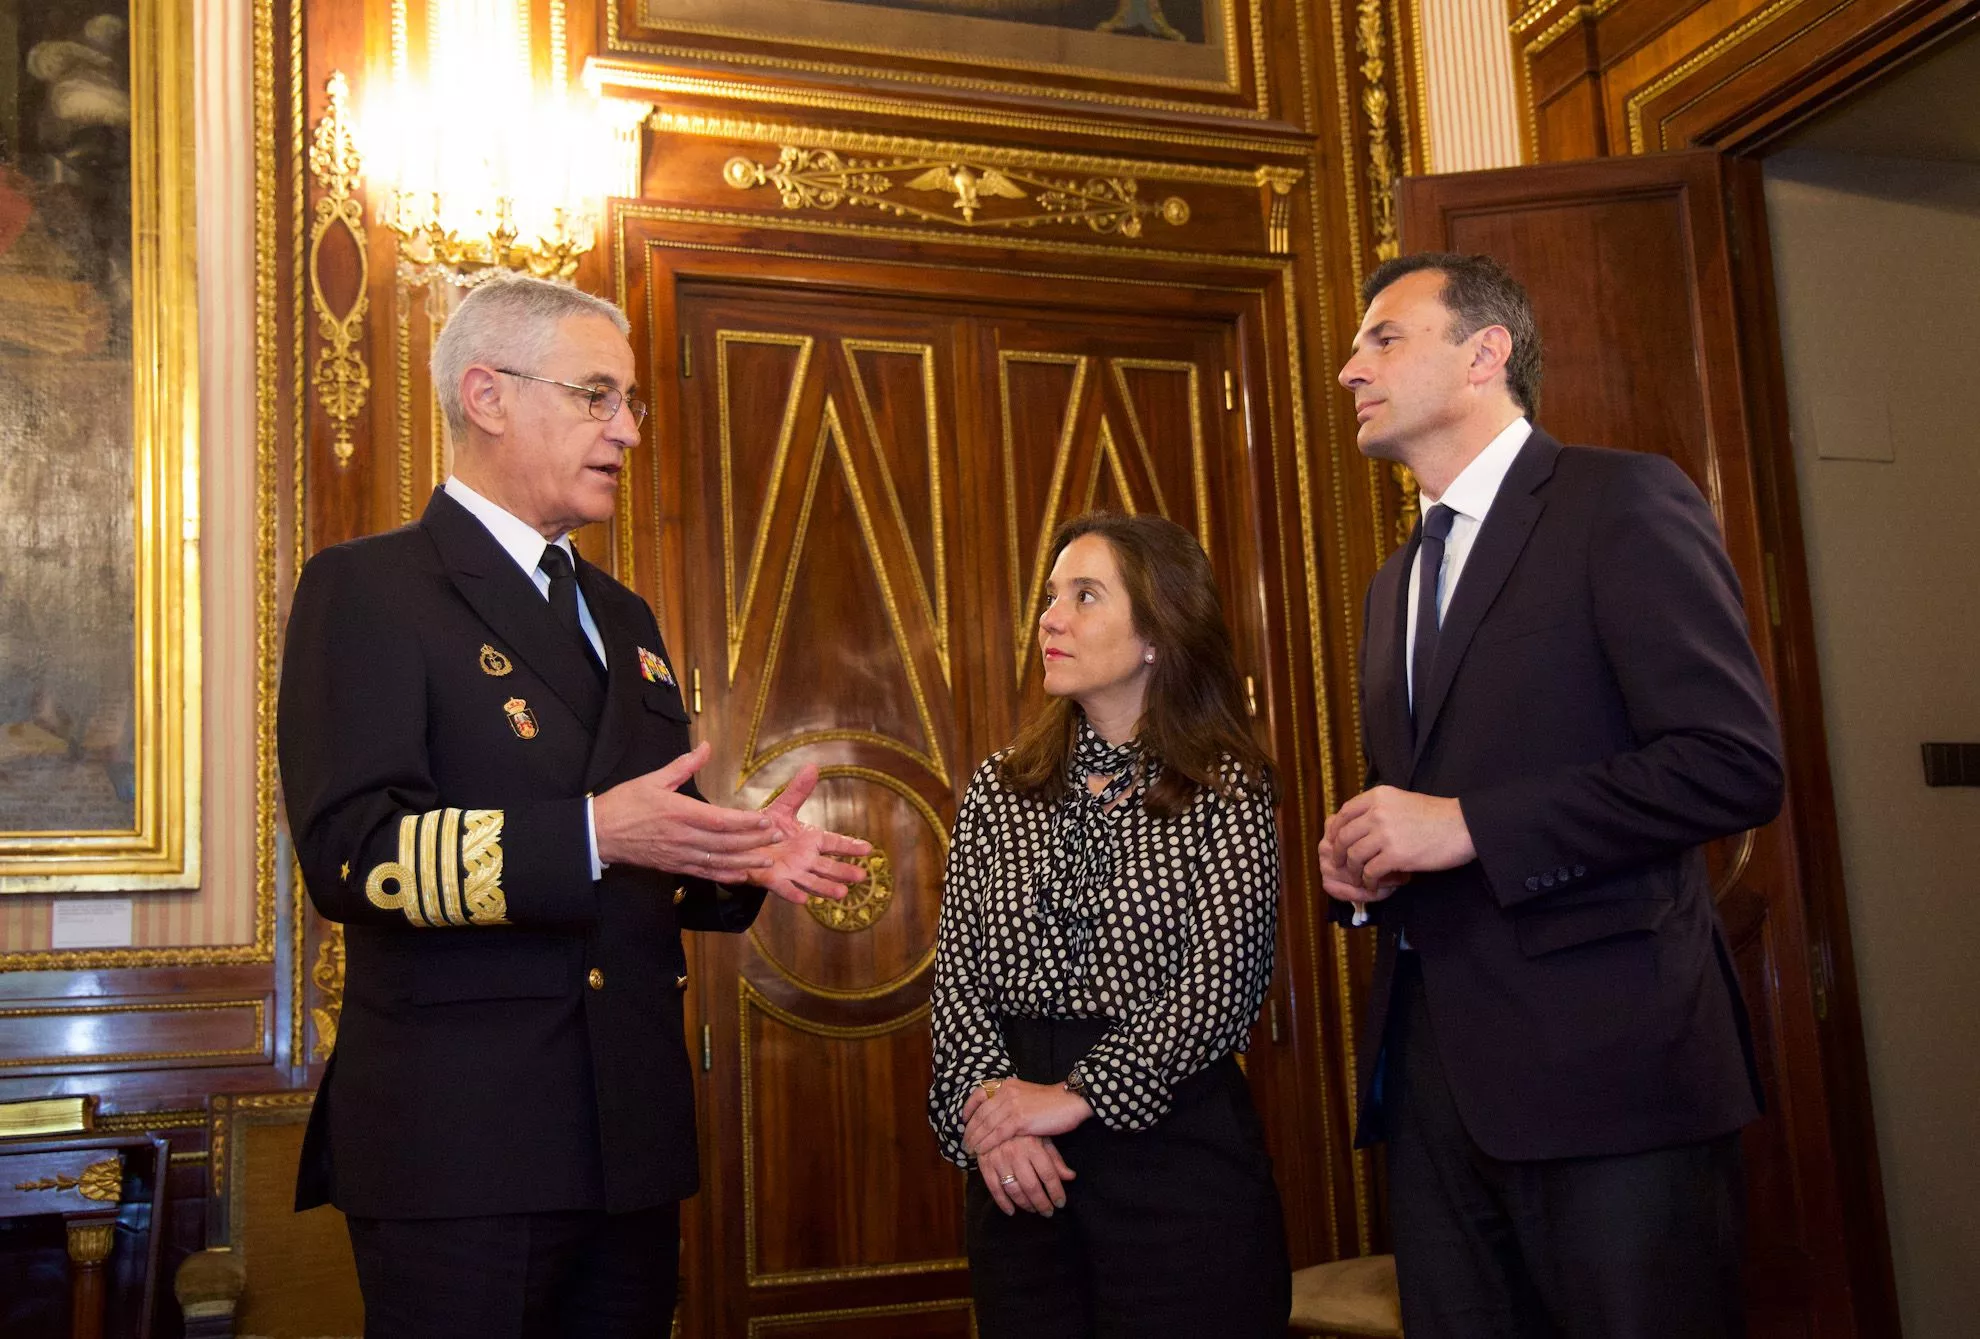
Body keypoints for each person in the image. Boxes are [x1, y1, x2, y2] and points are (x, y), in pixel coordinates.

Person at [277, 274, 870, 1338]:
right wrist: (595, 834)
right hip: (465, 1146)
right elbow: (352, 852)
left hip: (625, 1135)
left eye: (632, 402)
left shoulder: (621, 612)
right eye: (598, 396)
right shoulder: (369, 588)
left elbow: (634, 835)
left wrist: (727, 857)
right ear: (488, 395)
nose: (629, 430)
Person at [1323, 252, 1784, 1338]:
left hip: (1613, 1078)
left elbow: (1731, 761)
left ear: (1486, 354)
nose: (1350, 368)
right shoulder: (1396, 582)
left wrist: (1467, 826)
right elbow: (1432, 806)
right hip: (1436, 1090)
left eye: (1383, 338)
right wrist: (1369, 867)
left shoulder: (1617, 501)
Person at [927, 512, 1291, 1338]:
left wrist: (1073, 1095)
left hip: (1177, 1163)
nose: (1050, 618)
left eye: (1084, 595)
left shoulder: (1225, 785)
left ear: (1158, 630)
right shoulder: (999, 787)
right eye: (1051, 596)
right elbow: (957, 982)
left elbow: (1223, 991)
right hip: (1018, 1167)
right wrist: (993, 1113)